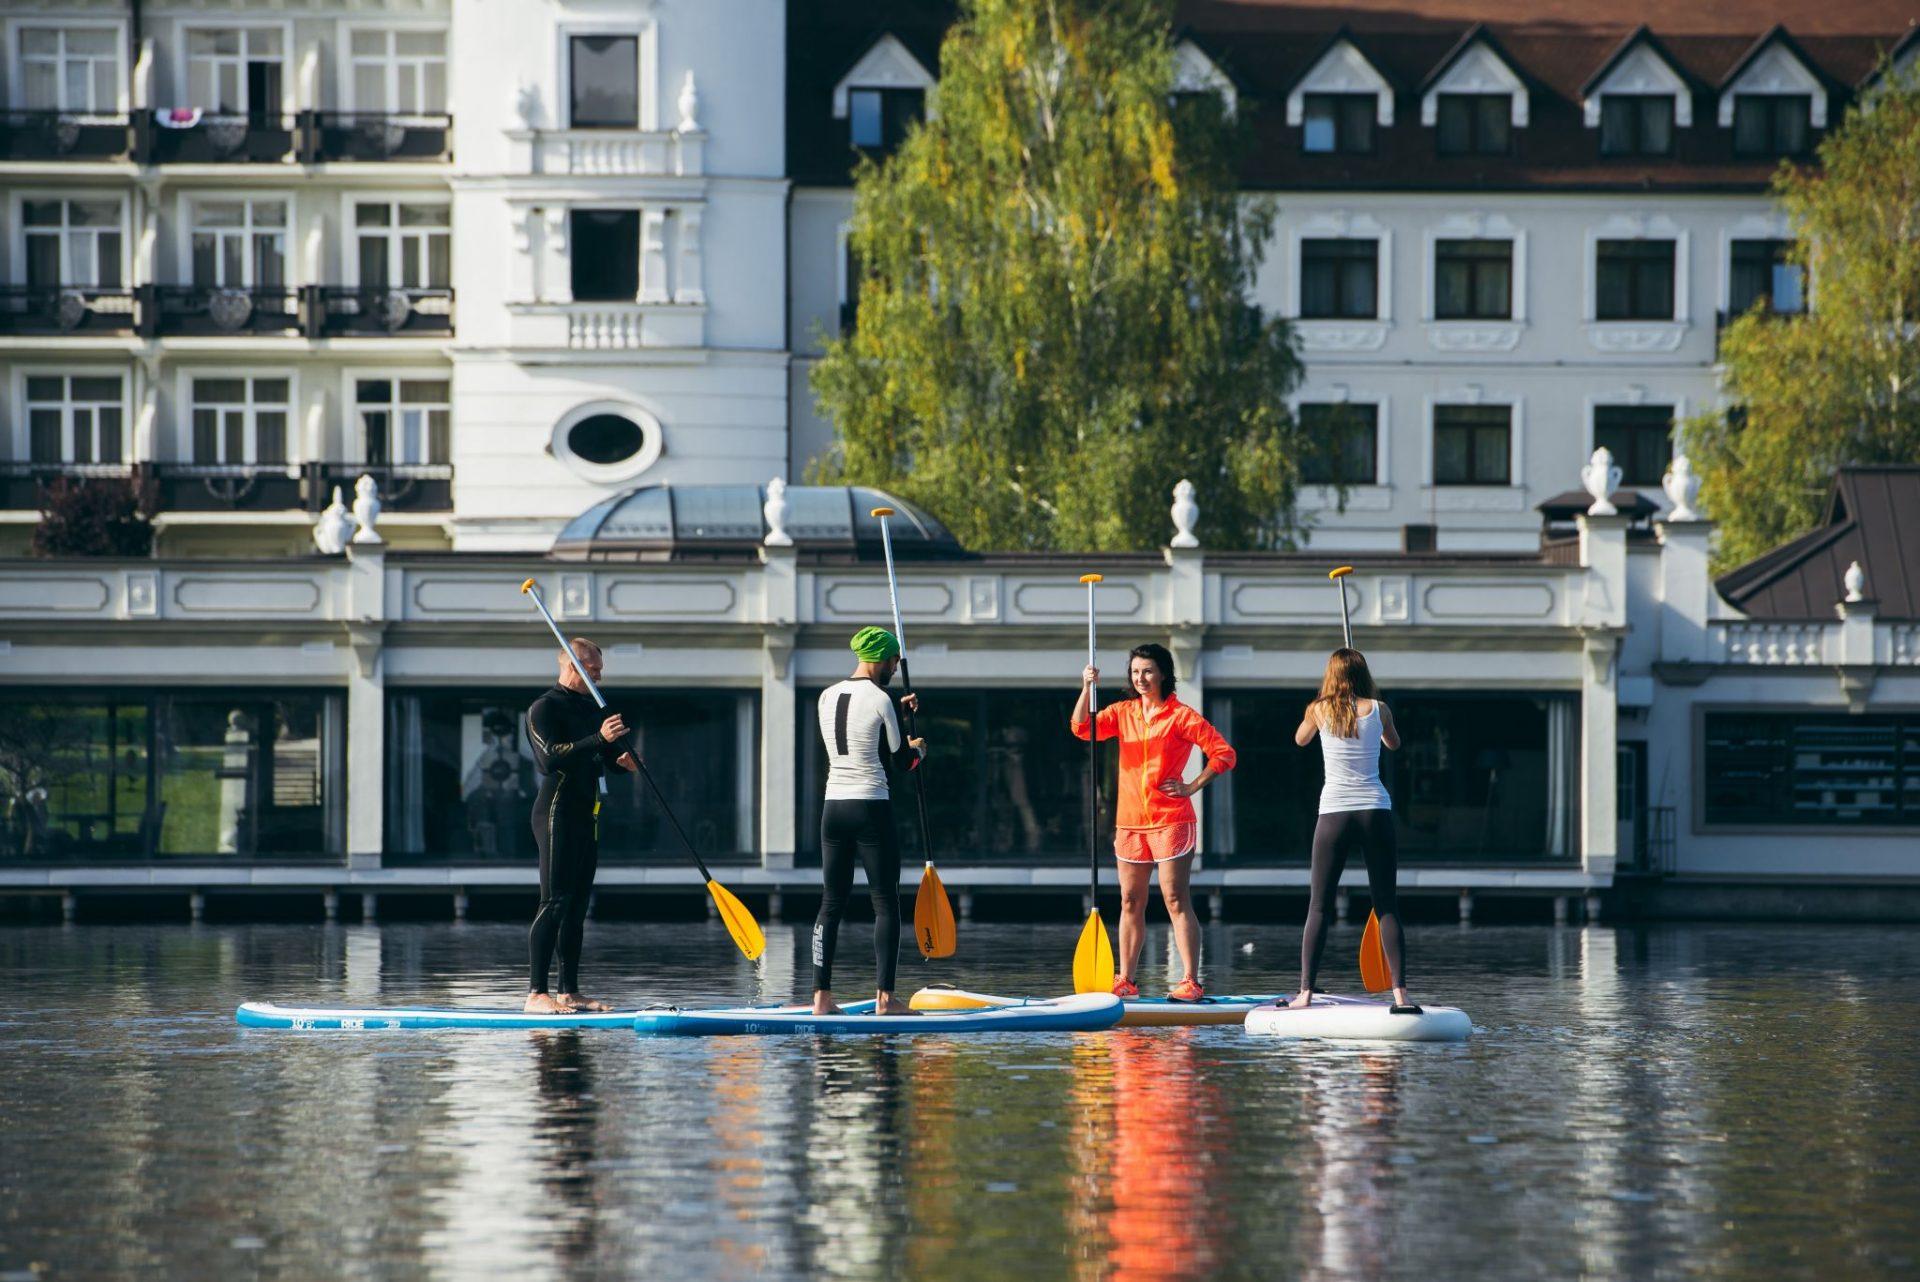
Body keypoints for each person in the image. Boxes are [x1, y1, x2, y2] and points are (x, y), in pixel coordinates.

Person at [1071, 643, 1236, 1001]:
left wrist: (1192, 785)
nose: (1141, 678)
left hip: (1171, 819)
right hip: (1129, 823)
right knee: (1130, 901)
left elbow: (1224, 753)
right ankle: (1126, 979)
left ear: (1162, 673)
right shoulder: (1122, 712)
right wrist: (1087, 688)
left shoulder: (1181, 716)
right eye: (1135, 672)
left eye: (1147, 671)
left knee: (1176, 899)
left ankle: (1190, 980)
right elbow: (1082, 729)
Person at [1290, 648, 1417, 1013]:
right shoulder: (1379, 709)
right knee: (1386, 904)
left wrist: (1320, 708)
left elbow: (1300, 739)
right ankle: (1401, 995)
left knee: (1319, 906)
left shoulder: (1319, 710)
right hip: (1375, 810)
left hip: (1334, 814)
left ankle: (1305, 993)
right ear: (1364, 674)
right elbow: (1393, 743)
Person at [813, 626, 926, 1016]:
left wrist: (899, 712)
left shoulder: (826, 696)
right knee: (885, 903)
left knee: (831, 902)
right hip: (869, 806)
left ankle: (821, 999)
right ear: (881, 658)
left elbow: (855, 740)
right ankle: (885, 999)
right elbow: (899, 763)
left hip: (833, 808)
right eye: (894, 661)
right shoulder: (881, 698)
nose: (895, 668)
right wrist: (919, 749)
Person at [524, 638, 638, 1015]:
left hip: (586, 813)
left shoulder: (592, 708)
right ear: (573, 665)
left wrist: (621, 760)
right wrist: (598, 738)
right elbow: (548, 759)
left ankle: (568, 990)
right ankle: (536, 993)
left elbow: (601, 757)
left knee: (576, 906)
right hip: (555, 811)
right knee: (554, 901)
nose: (600, 676)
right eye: (594, 669)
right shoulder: (543, 707)